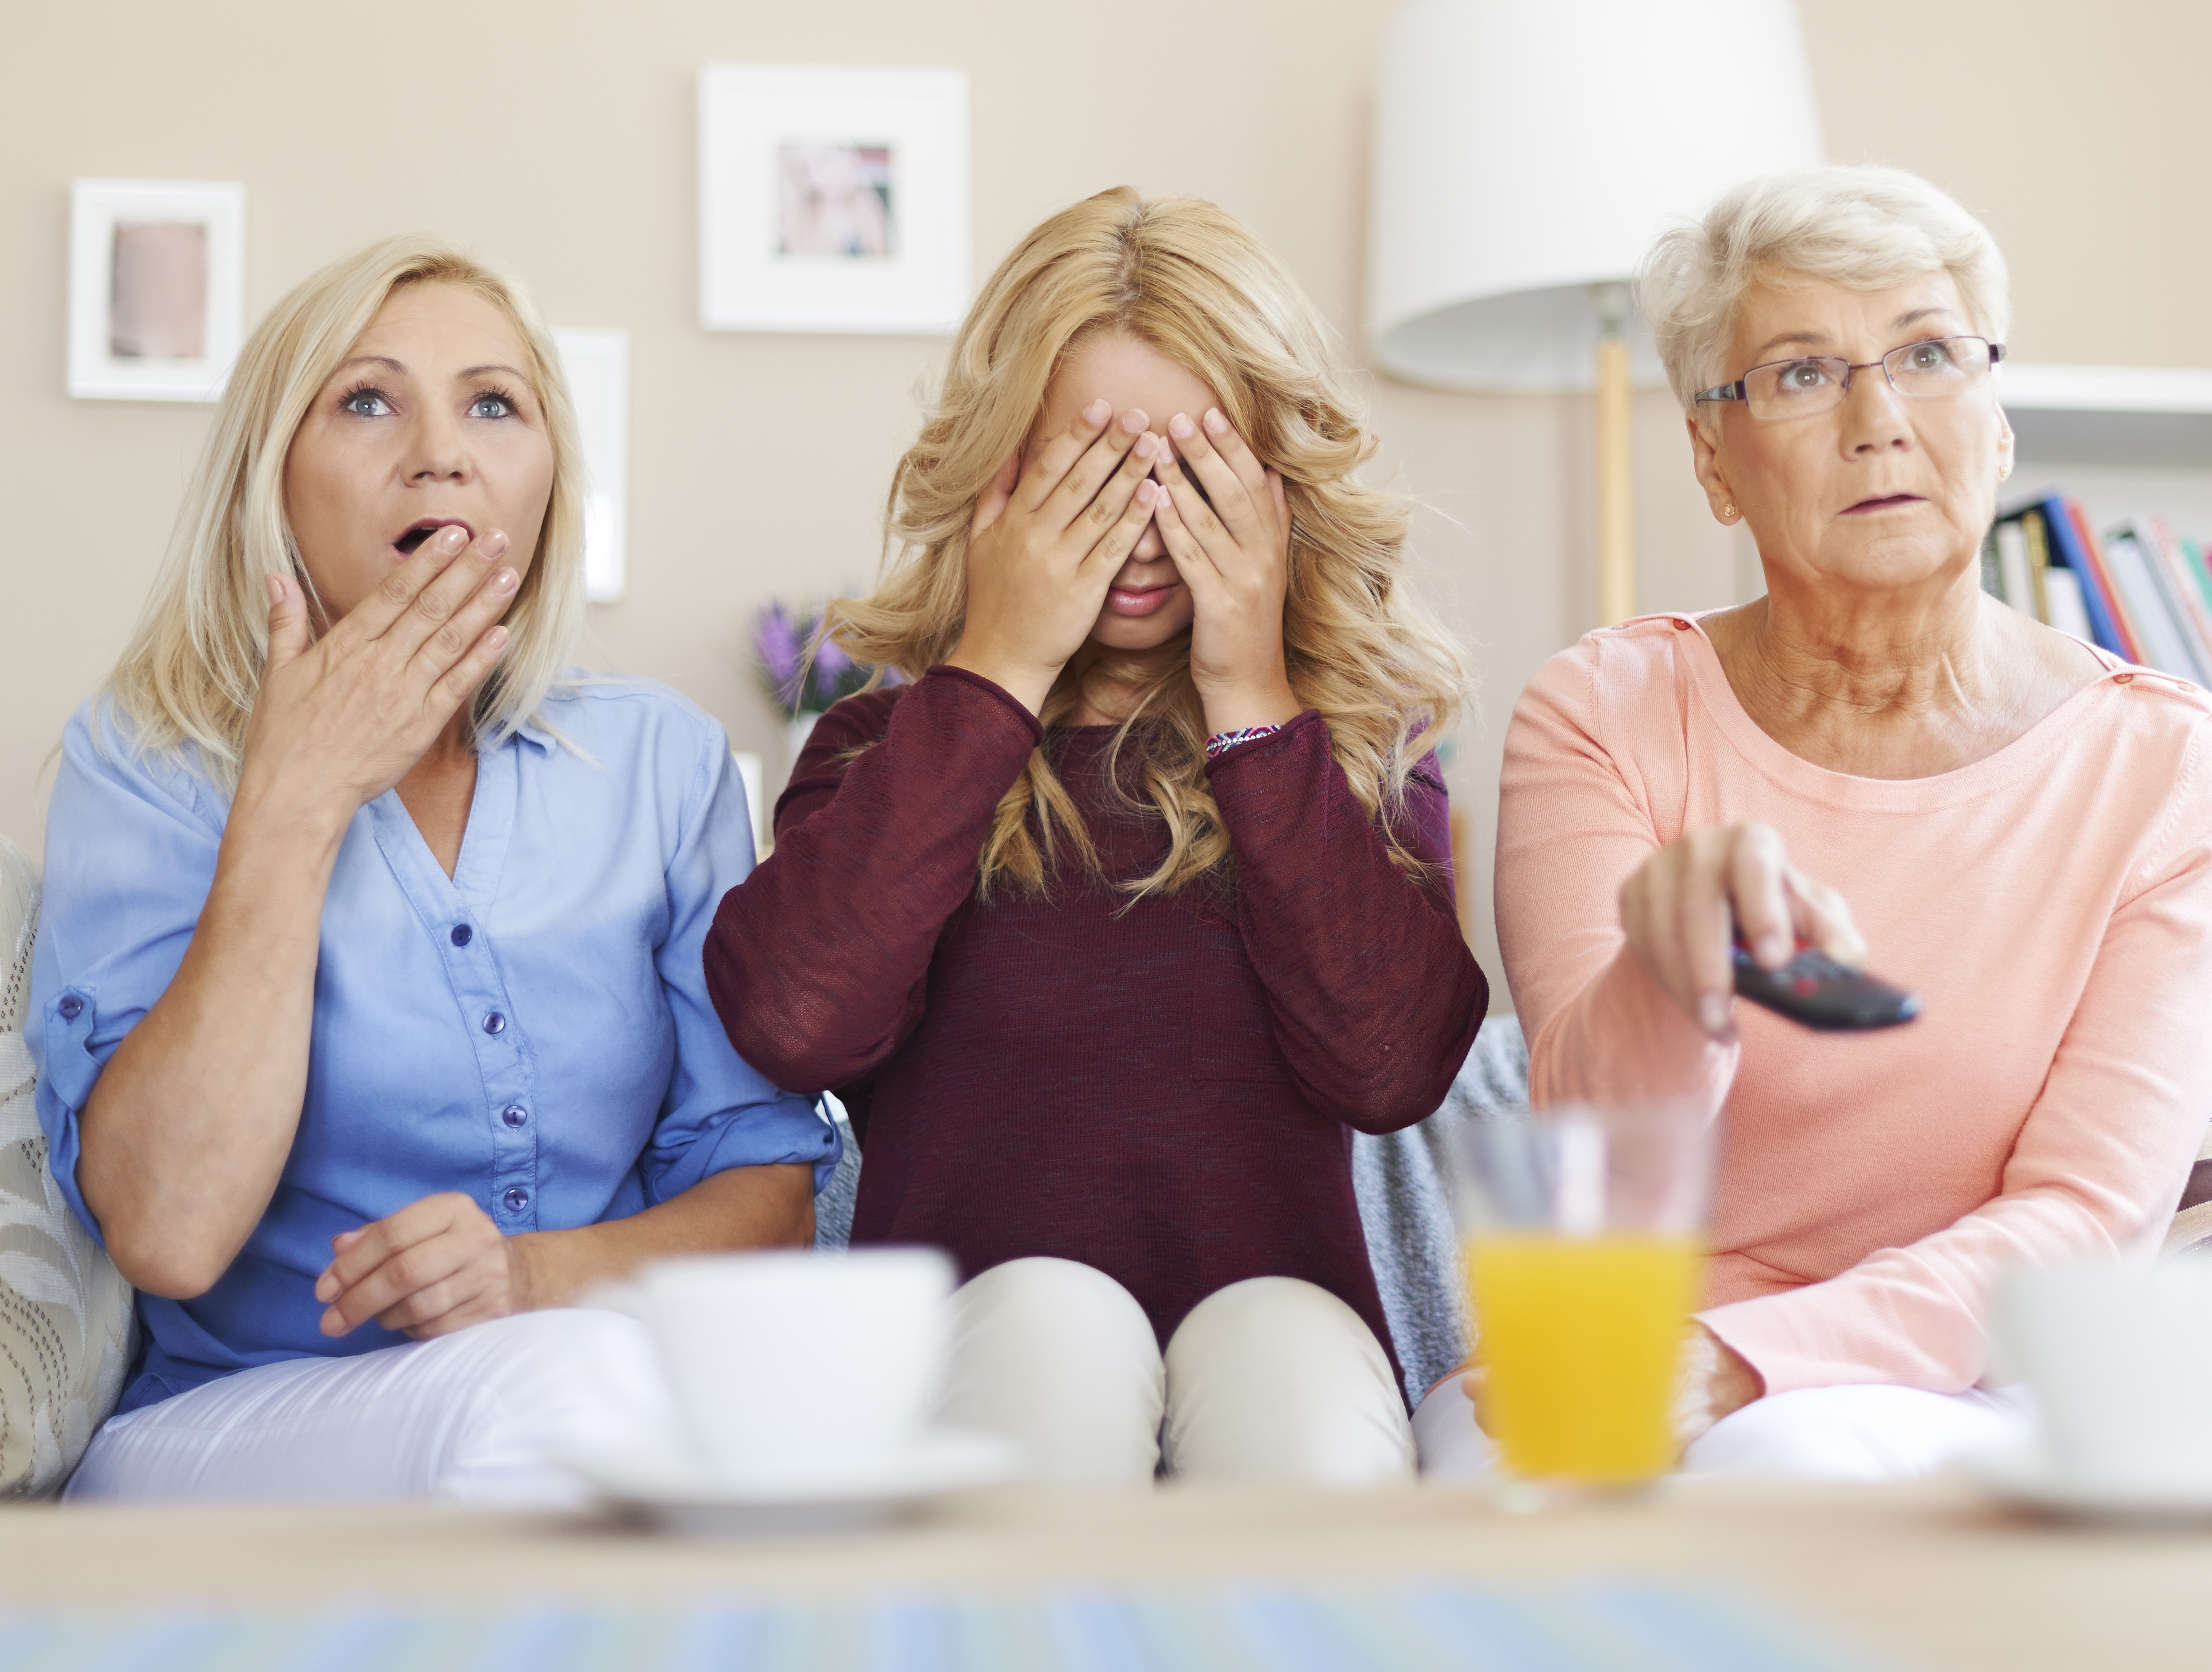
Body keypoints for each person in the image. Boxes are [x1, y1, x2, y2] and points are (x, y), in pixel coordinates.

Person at [1445, 165, 2212, 1480]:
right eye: (1800, 372)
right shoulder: (1599, 712)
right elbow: (1591, 1157)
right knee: (1498, 1482)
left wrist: (1740, 1360)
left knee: (1776, 1463)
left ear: (1998, 423)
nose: (1877, 420)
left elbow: (2083, 1218)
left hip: (1961, 1378)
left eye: (1928, 354)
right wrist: (1672, 970)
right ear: (1713, 460)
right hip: (1608, 1344)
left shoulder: (2173, 768)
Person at [30, 236, 835, 1502]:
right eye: (368, 399)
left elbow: (768, 1210)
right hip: (229, 1427)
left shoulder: (660, 761)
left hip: (585, 1388)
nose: (441, 452)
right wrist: (296, 801)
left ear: (549, 481)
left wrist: (528, 1277)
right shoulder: (146, 760)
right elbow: (168, 1231)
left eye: (493, 405)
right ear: (270, 474)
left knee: (610, 1399)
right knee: (580, 1402)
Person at [703, 187, 1486, 1487]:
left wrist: (1253, 700)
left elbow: (1393, 1067)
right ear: (997, 477)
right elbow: (793, 1022)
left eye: (1193, 473)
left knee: (1279, 1340)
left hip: (1289, 1353)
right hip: (983, 1354)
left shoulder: (1354, 754)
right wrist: (998, 670)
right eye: (1090, 471)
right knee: (1052, 1319)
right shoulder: (884, 752)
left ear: (1276, 488)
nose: (1141, 523)